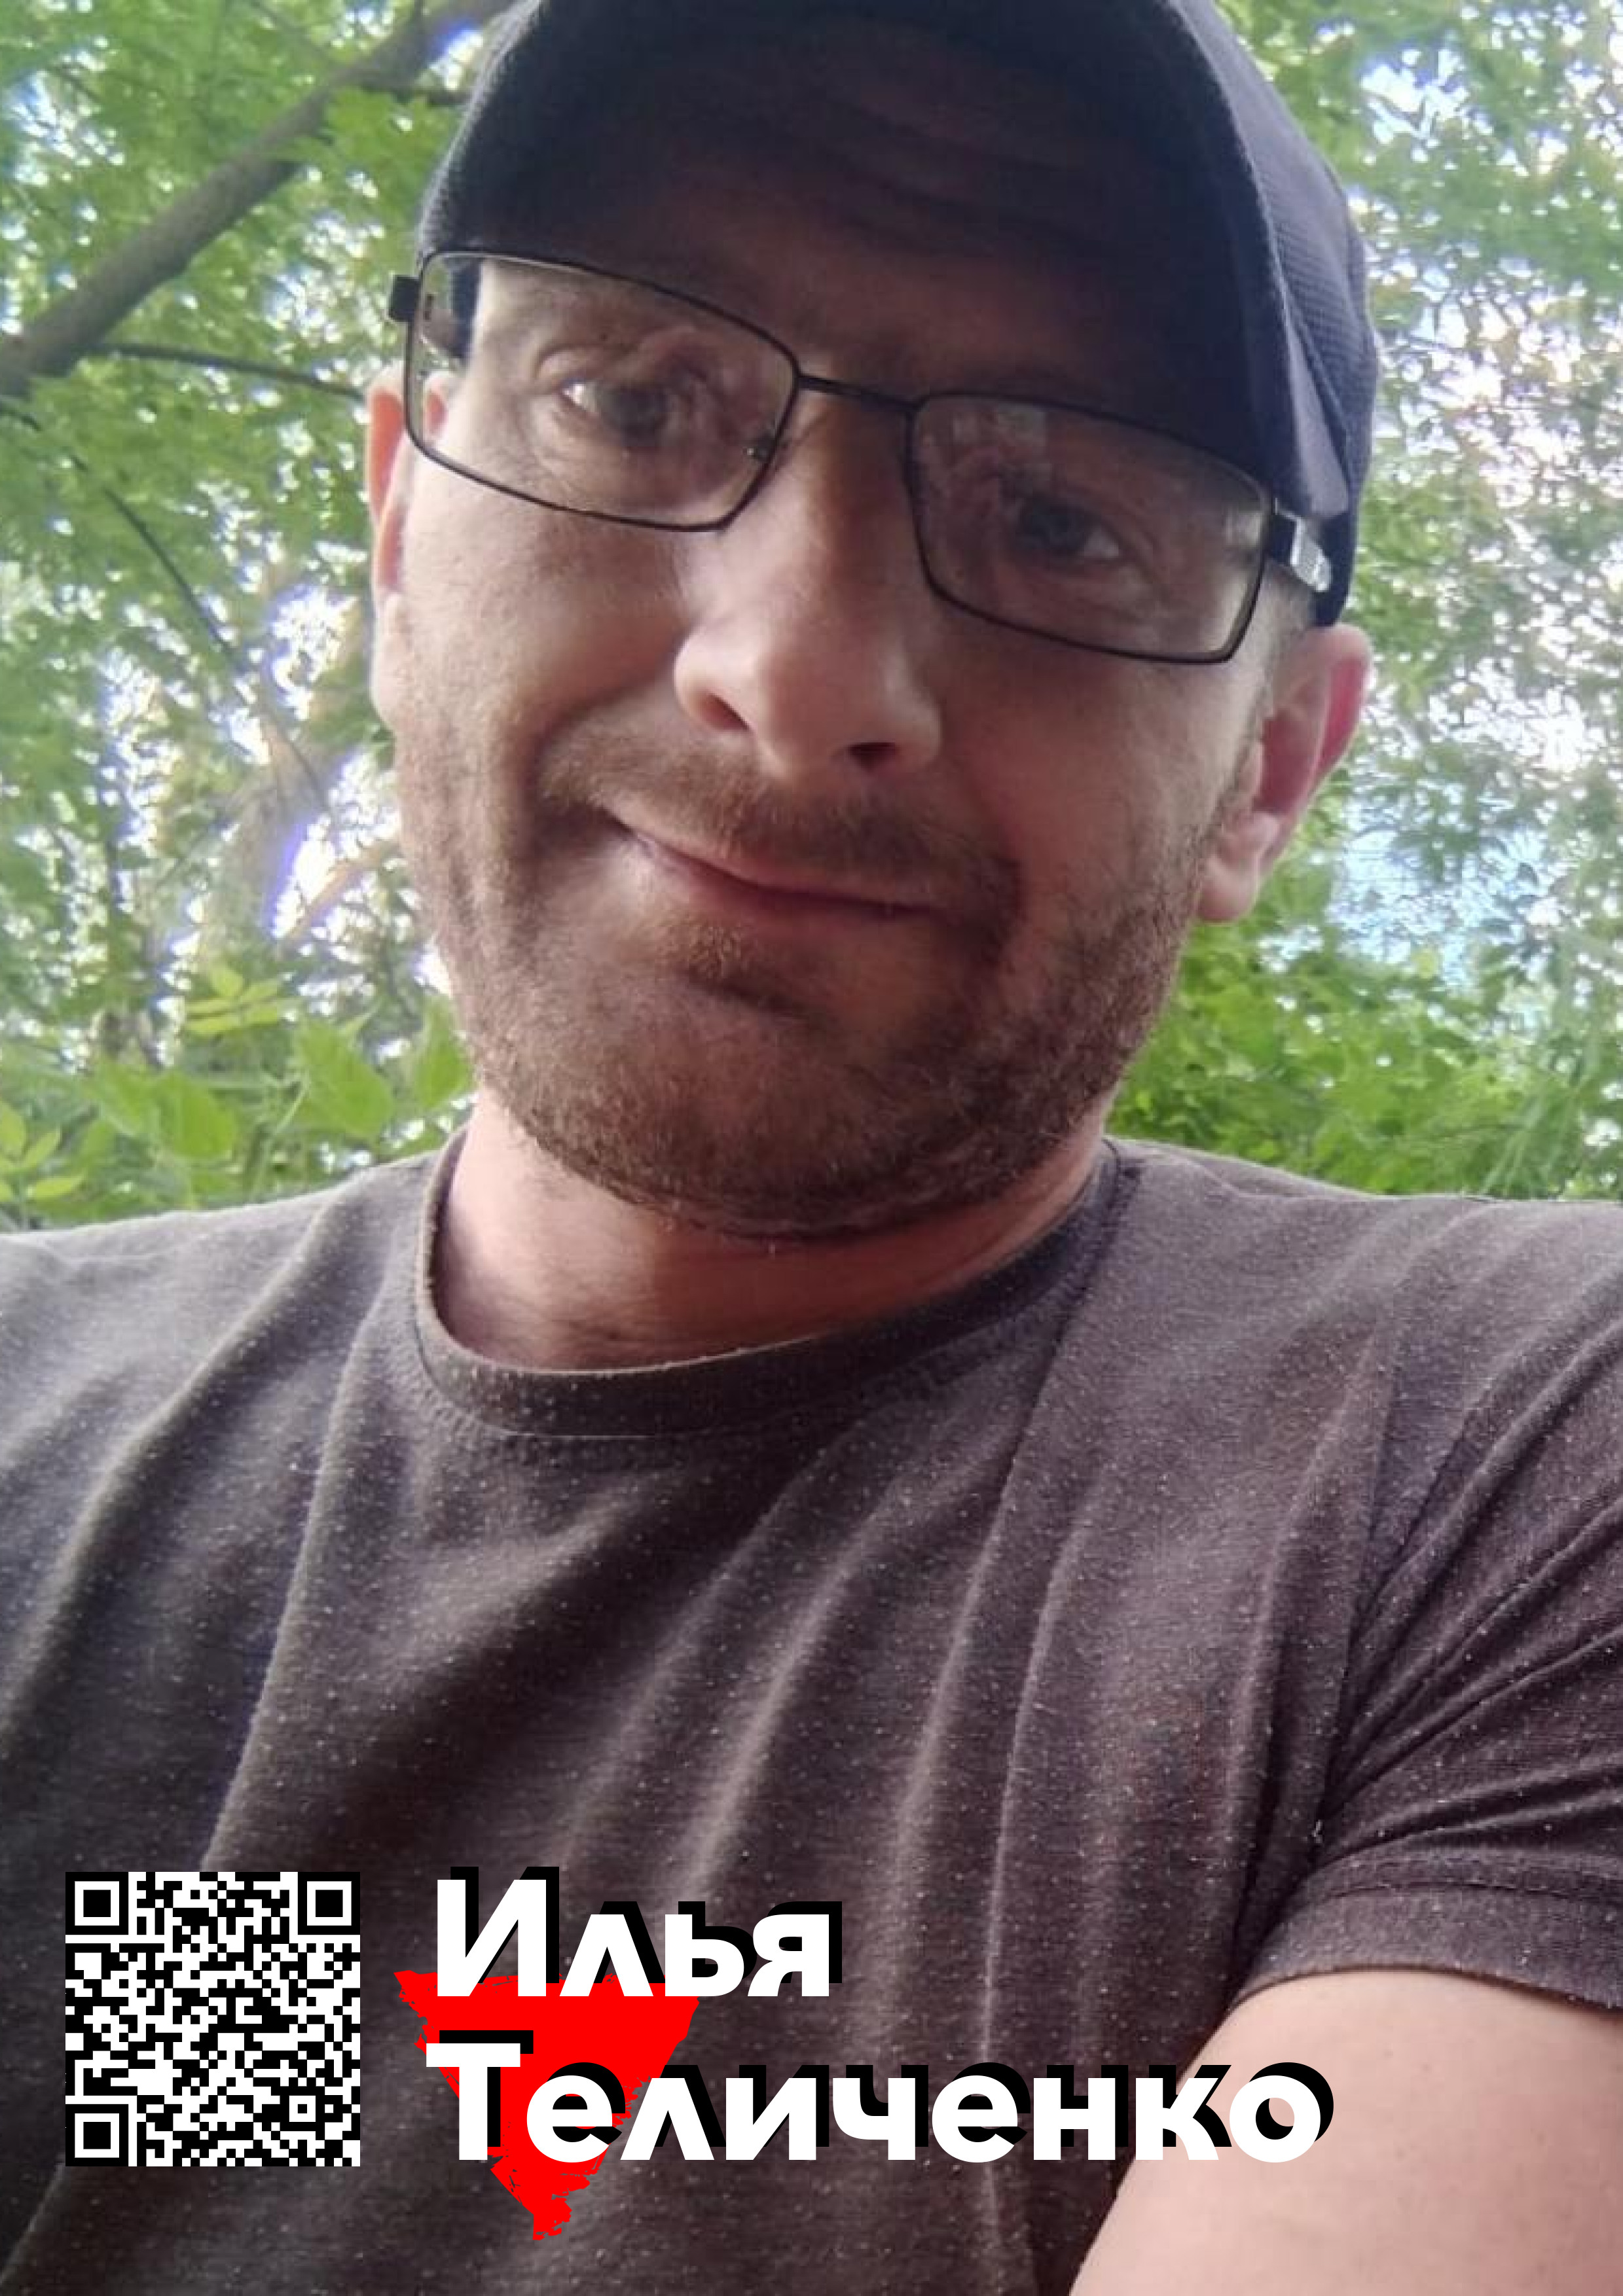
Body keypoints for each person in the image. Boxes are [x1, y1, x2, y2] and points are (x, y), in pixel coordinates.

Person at [3, 1, 1620, 2289]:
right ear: (396, 516)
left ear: (1270, 770)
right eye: (634, 402)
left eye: (1058, 520)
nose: (794, 669)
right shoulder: (42, 1458)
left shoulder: (1495, 1470)